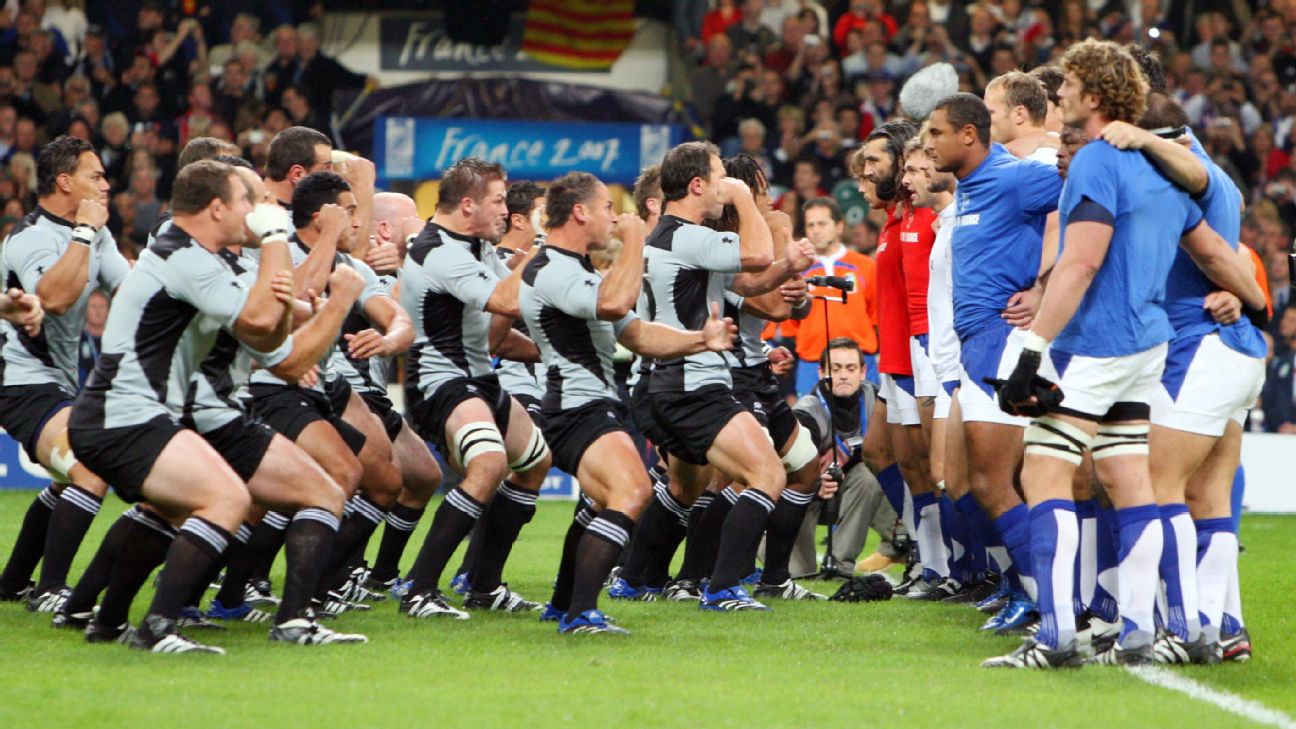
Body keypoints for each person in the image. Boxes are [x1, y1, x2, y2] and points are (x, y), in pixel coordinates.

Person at [984, 39, 1264, 669]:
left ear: (1096, 96)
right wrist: (1258, 304)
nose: (1057, 97)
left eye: (1068, 87)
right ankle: (1152, 627)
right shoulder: (1167, 167)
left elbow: (1081, 262)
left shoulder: (1095, 162)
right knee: (1128, 476)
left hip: (1099, 342)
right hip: (1149, 345)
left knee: (1044, 470)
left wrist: (1032, 350)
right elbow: (1211, 244)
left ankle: (1056, 638)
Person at [68, 160, 360, 653]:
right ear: (218, 207)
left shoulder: (209, 260)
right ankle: (157, 628)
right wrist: (279, 245)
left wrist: (302, 302)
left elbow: (276, 349)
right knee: (226, 500)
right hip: (125, 412)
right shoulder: (183, 254)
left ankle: (107, 619)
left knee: (310, 494)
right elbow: (265, 317)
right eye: (248, 202)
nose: (256, 210)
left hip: (160, 412)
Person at [520, 171, 736, 633]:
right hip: (574, 407)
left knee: (602, 503)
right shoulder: (550, 266)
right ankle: (580, 615)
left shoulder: (577, 269)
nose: (614, 218)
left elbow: (637, 334)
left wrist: (701, 339)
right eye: (606, 209)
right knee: (632, 491)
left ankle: (563, 605)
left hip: (592, 405)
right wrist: (637, 238)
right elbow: (617, 304)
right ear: (579, 212)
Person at [1101, 91, 1270, 664]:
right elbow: (1235, 254)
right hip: (1232, 354)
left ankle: (1186, 625)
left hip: (1202, 351)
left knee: (1155, 481)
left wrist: (1252, 302)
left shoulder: (1186, 172)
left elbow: (1222, 251)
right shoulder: (1218, 181)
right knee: (1209, 493)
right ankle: (1224, 626)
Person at [925, 93, 1062, 634]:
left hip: (1004, 343)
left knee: (997, 481)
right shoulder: (971, 189)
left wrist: (1044, 287)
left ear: (968, 135)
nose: (929, 142)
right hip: (976, 346)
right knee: (987, 481)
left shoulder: (1014, 177)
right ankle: (1035, 594)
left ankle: (1049, 600)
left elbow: (1088, 200)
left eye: (936, 133)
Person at [398, 158, 553, 620]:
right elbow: (505, 300)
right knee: (488, 463)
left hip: (478, 377)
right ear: (467, 205)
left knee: (536, 460)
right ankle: (419, 589)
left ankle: (484, 585)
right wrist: (543, 261)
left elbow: (497, 336)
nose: (506, 211)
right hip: (439, 380)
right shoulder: (440, 251)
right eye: (498, 201)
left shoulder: (475, 244)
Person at [0, 136, 126, 613]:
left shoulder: (97, 232)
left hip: (58, 382)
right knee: (88, 469)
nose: (106, 185)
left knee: (66, 481)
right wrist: (83, 235)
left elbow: (128, 288)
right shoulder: (29, 236)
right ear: (65, 181)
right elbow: (54, 298)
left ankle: (12, 583)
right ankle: (52, 588)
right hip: (19, 381)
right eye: (96, 176)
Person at [788, 338, 903, 576]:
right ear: (821, 372)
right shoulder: (805, 411)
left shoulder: (876, 398)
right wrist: (816, 484)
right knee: (800, 574)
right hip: (808, 494)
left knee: (873, 477)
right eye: (835, 369)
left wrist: (849, 449)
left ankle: (842, 565)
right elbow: (789, 468)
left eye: (850, 369)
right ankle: (762, 543)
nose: (843, 375)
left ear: (862, 372)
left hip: (853, 493)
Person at [788, 197, 878, 394]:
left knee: (867, 423)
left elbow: (876, 316)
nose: (815, 230)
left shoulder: (866, 266)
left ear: (839, 226)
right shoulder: (796, 271)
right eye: (810, 225)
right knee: (811, 423)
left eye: (822, 223)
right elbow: (790, 322)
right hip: (812, 363)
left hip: (860, 360)